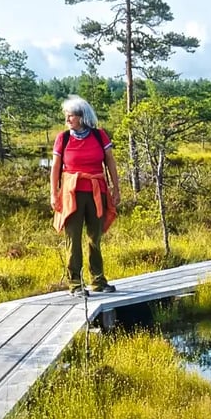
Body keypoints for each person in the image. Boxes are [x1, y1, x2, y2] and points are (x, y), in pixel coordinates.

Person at [50, 95, 121, 297]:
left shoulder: (99, 136)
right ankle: (76, 284)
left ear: (82, 117)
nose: (67, 120)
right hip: (71, 194)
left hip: (96, 192)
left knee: (95, 238)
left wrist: (116, 188)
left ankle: (98, 280)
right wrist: (53, 193)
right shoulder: (63, 138)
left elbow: (110, 162)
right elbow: (56, 167)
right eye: (66, 116)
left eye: (70, 116)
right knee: (73, 238)